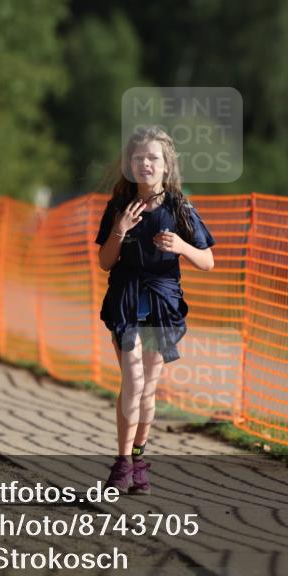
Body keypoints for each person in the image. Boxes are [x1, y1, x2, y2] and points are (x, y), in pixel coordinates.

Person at [94, 126, 216, 494]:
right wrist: (120, 229)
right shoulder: (119, 207)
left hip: (162, 303)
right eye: (138, 157)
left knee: (148, 389)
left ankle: (138, 458)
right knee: (132, 381)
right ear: (130, 164)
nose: (145, 163)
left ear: (166, 165)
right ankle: (122, 464)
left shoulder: (180, 207)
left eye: (153, 158)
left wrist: (181, 245)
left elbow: (208, 260)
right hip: (126, 298)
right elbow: (104, 262)